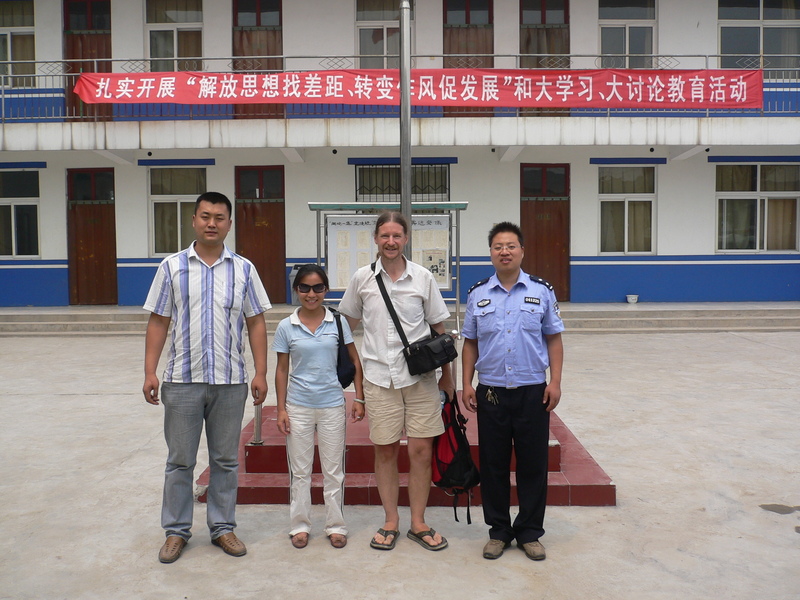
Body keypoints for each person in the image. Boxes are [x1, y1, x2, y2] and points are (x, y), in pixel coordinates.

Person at [142, 191, 270, 564]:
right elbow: (159, 321)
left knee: (225, 460)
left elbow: (256, 322)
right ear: (194, 221)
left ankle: (223, 528)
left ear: (229, 223)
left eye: (219, 217)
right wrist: (150, 370)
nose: (211, 223)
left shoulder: (244, 269)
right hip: (182, 380)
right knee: (180, 460)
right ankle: (176, 532)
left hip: (230, 380)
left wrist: (260, 371)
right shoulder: (171, 267)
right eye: (205, 216)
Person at [339, 211, 455, 552]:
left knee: (421, 450)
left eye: (397, 236)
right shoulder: (362, 278)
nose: (391, 242)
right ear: (375, 238)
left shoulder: (422, 278)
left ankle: (418, 521)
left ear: (406, 239)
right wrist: (354, 384)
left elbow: (439, 330)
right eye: (384, 235)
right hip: (378, 378)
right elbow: (347, 328)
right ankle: (391, 520)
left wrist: (447, 378)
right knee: (386, 450)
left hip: (420, 379)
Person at [461, 221, 564, 562]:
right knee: (493, 465)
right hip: (491, 391)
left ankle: (530, 532)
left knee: (533, 464)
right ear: (490, 252)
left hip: (533, 390)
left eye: (511, 246)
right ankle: (499, 532)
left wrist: (556, 381)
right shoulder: (477, 294)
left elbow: (553, 338)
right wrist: (466, 384)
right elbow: (470, 343)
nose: (504, 251)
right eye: (497, 246)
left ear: (522, 250)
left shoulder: (541, 291)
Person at [272, 264, 364, 550]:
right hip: (298, 407)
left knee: (333, 471)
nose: (311, 294)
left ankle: (336, 525)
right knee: (300, 472)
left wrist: (359, 397)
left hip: (332, 406)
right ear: (296, 290)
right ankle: (299, 525)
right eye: (305, 288)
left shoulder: (337, 323)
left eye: (318, 288)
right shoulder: (287, 326)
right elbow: (282, 369)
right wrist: (281, 409)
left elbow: (355, 361)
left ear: (326, 290)